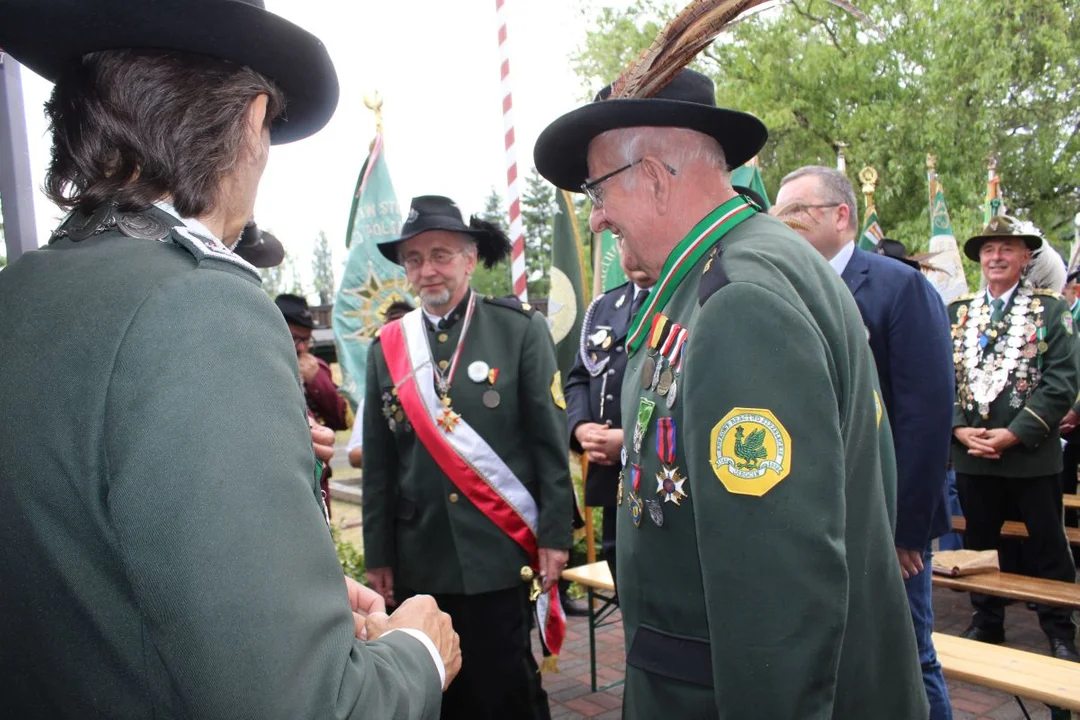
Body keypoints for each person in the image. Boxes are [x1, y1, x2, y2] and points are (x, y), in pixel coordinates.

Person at [0, 1, 460, 716]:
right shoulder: (199, 306)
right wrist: (417, 652)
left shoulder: (22, 290)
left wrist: (275, 599)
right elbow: (307, 706)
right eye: (271, 127)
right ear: (249, 120)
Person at [534, 68, 927, 719]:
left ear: (656, 177)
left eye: (598, 190)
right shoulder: (744, 267)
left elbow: (777, 591)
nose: (598, 218)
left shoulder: (738, 299)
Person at [361, 195, 574, 719]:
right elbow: (381, 467)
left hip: (499, 554)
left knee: (507, 690)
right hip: (421, 556)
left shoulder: (519, 330)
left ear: (470, 259)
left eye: (440, 255)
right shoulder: (387, 346)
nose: (427, 270)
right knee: (436, 695)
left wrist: (553, 537)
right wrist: (379, 555)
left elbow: (549, 445)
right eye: (414, 259)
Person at [775, 165, 956, 719]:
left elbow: (925, 418)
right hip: (815, 517)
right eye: (777, 215)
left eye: (796, 213)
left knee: (908, 652)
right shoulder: (783, 285)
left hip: (884, 518)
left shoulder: (900, 287)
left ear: (841, 215)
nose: (783, 225)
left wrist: (908, 529)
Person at [949, 216, 1079, 662]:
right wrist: (956, 426)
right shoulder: (958, 313)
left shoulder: (1051, 310)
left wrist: (1014, 434)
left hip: (1030, 457)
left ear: (1026, 257)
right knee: (980, 545)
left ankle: (1060, 628)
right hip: (973, 455)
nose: (996, 257)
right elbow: (938, 376)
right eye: (989, 250)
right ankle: (987, 620)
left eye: (1007, 248)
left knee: (1048, 547)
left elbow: (1062, 381)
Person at [565, 241, 657, 585]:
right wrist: (580, 426)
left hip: (663, 478)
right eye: (622, 243)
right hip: (610, 480)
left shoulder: (683, 298)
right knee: (623, 578)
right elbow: (579, 377)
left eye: (636, 240)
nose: (630, 253)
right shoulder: (605, 307)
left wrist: (631, 440)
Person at [347, 299, 415, 470]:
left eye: (404, 337)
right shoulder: (377, 394)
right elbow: (355, 455)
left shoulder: (440, 382)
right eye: (390, 341)